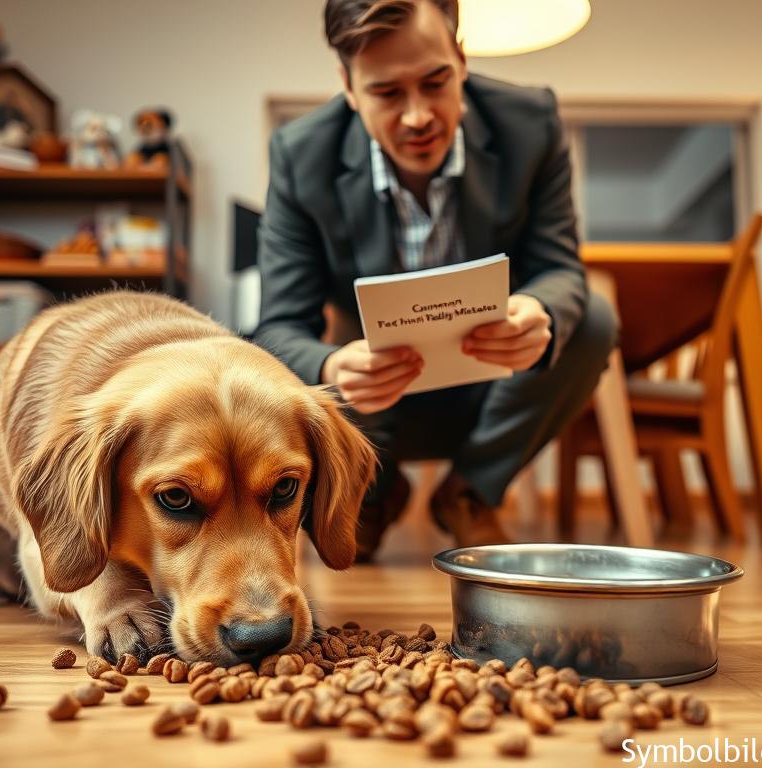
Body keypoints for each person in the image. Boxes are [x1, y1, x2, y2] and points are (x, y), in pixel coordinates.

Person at [254, 0, 617, 560]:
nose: (419, 116)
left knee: (590, 318)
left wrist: (539, 311)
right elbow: (277, 328)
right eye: (387, 93)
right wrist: (331, 367)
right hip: (374, 405)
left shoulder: (531, 123)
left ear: (462, 60)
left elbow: (560, 268)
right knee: (300, 374)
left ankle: (470, 492)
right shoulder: (301, 155)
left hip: (496, 390)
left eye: (435, 81)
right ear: (348, 87)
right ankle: (370, 492)